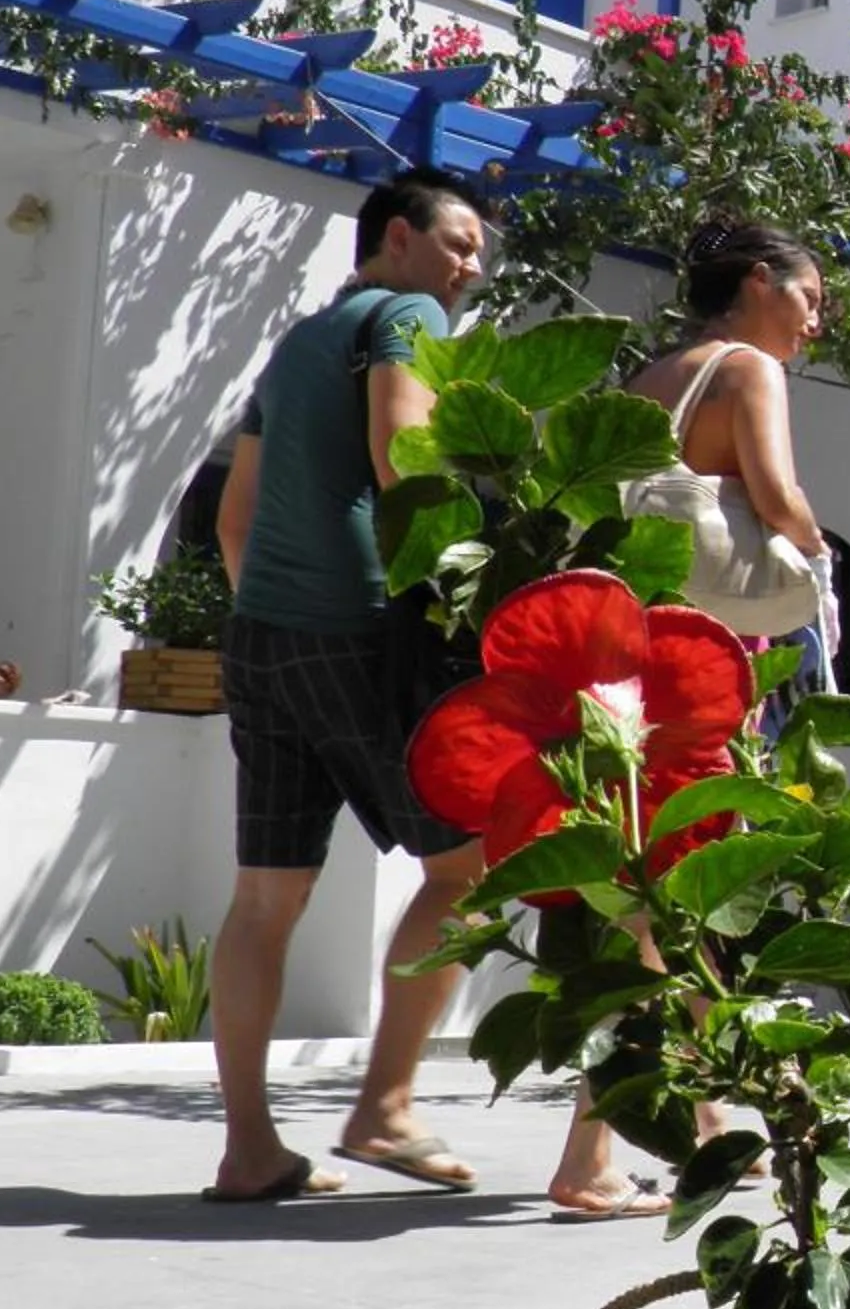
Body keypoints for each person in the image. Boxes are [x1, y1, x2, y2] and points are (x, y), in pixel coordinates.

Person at [204, 170, 664, 1218]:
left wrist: (277, 612)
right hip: (356, 636)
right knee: (472, 869)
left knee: (265, 898)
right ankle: (386, 1106)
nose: (470, 270)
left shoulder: (295, 345)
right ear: (399, 237)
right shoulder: (404, 314)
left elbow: (235, 520)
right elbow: (404, 457)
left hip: (260, 644)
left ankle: (250, 1150)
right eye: (459, 245)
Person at [624, 219, 831, 728]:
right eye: (809, 298)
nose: (814, 322)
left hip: (635, 622)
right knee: (715, 781)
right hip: (715, 633)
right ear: (759, 280)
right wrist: (817, 550)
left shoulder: (648, 377)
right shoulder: (751, 368)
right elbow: (777, 498)